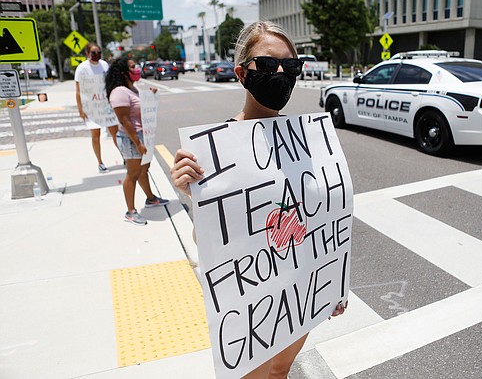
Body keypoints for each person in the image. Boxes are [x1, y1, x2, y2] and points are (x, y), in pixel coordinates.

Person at [169, 21, 347, 379]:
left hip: (298, 288)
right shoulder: (213, 154)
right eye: (266, 65)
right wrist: (193, 197)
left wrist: (332, 281)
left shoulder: (309, 144)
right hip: (252, 298)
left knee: (281, 369)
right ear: (241, 73)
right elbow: (208, 244)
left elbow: (325, 218)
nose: (280, 74)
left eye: (290, 66)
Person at [105, 57, 169, 226]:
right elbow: (125, 121)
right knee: (133, 174)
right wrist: (138, 144)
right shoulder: (119, 92)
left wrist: (151, 95)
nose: (137, 69)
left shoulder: (131, 88)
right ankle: (131, 211)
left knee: (144, 169)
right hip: (131, 139)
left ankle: (151, 198)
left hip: (142, 136)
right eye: (133, 67)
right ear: (123, 72)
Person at [75, 42, 119, 173]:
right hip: (92, 107)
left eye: (99, 52)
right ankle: (100, 162)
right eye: (93, 53)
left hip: (106, 105)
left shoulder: (104, 65)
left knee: (115, 133)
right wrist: (80, 109)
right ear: (88, 54)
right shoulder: (82, 68)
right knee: (96, 135)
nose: (96, 55)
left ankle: (125, 156)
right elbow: (78, 91)